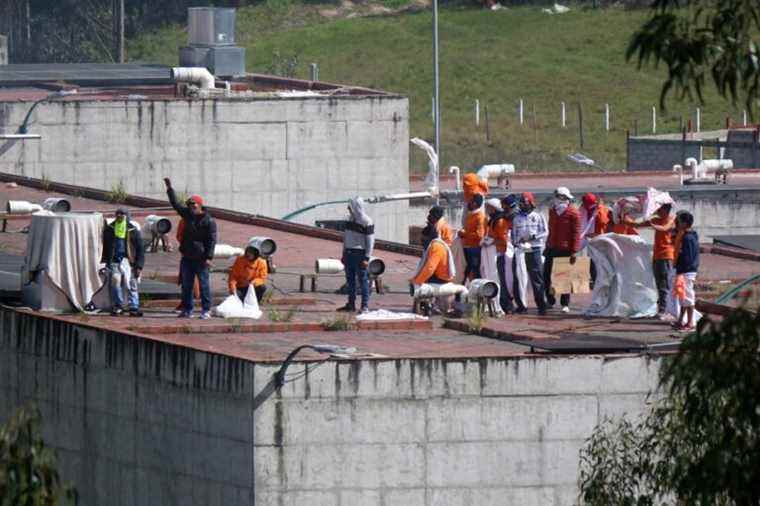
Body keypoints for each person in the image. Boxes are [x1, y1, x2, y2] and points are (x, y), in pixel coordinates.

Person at [164, 177, 217, 319]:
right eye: (190, 205)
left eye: (193, 204)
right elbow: (175, 204)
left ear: (199, 205)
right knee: (186, 285)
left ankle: (206, 310)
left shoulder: (209, 221)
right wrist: (169, 188)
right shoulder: (187, 215)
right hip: (187, 257)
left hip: (201, 258)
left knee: (204, 285)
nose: (191, 207)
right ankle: (187, 310)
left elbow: (212, 240)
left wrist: (209, 257)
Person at [544, 187, 582, 313]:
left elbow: (576, 233)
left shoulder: (573, 213)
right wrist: (547, 244)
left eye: (558, 196)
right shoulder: (552, 211)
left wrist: (574, 251)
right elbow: (550, 229)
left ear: (564, 198)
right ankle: (550, 300)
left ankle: (565, 303)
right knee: (547, 275)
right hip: (551, 247)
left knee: (564, 276)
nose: (555, 199)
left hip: (565, 248)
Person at [101, 207, 145, 317]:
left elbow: (140, 249)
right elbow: (105, 246)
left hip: (129, 261)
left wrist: (139, 266)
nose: (120, 215)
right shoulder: (110, 229)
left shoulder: (133, 230)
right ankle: (118, 306)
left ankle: (133, 306)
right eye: (118, 213)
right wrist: (106, 261)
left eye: (122, 214)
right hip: (115, 261)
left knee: (132, 284)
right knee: (115, 282)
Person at [511, 192, 548, 315]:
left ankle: (541, 306)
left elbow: (545, 232)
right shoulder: (516, 218)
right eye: (521, 203)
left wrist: (533, 237)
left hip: (534, 249)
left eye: (525, 203)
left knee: (537, 278)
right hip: (521, 250)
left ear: (531, 203)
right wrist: (518, 243)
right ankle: (521, 305)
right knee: (519, 278)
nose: (523, 206)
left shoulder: (538, 216)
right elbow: (514, 236)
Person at [636, 203, 675, 318]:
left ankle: (664, 310)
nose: (657, 211)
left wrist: (653, 225)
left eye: (660, 209)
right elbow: (637, 225)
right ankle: (662, 308)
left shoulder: (671, 219)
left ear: (666, 210)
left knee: (664, 284)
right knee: (659, 283)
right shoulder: (656, 220)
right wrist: (624, 217)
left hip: (666, 256)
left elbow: (665, 228)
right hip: (657, 256)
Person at [337, 197, 375, 314]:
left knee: (363, 280)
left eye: (350, 206)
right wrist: (343, 253)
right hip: (349, 253)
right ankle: (351, 304)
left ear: (356, 207)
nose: (348, 208)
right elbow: (346, 238)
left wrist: (367, 257)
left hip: (360, 254)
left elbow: (370, 241)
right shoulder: (349, 220)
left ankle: (364, 306)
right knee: (350, 281)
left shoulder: (367, 221)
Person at [411, 224, 457, 315]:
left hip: (442, 279)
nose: (422, 242)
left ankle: (427, 306)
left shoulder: (436, 247)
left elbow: (430, 268)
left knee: (417, 284)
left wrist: (418, 281)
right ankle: (424, 305)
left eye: (423, 239)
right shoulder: (434, 244)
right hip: (438, 276)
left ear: (428, 237)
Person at [483, 196, 515, 314]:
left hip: (500, 254)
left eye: (489, 208)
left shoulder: (500, 221)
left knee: (502, 280)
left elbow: (502, 239)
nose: (487, 210)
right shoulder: (493, 220)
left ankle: (507, 304)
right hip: (493, 253)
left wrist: (491, 241)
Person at [673, 211, 699, 331]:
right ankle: (681, 320)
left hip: (686, 271)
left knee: (688, 297)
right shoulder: (691, 235)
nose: (676, 223)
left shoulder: (687, 238)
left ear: (684, 223)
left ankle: (690, 323)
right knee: (683, 297)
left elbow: (687, 257)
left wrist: (681, 271)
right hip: (686, 270)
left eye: (679, 221)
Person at [579, 193, 611, 288]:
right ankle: (595, 279)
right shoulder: (583, 210)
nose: (589, 208)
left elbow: (603, 222)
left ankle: (602, 280)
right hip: (589, 239)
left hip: (601, 239)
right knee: (591, 260)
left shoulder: (602, 210)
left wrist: (600, 209)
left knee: (601, 262)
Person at [458, 193, 487, 283]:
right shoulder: (470, 215)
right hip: (467, 247)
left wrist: (465, 234)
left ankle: (477, 292)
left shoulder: (480, 216)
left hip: (474, 248)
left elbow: (479, 235)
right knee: (467, 271)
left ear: (474, 203)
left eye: (470, 201)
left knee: (475, 271)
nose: (468, 204)